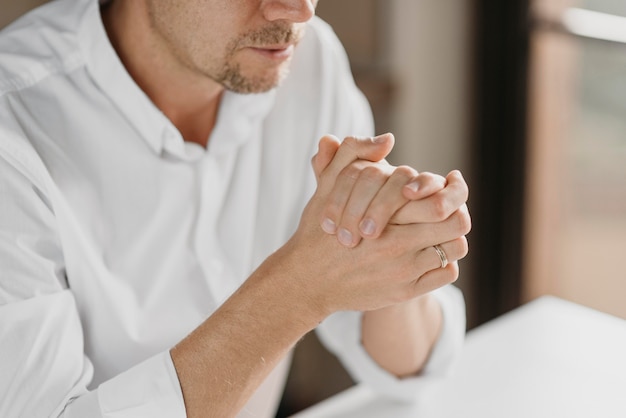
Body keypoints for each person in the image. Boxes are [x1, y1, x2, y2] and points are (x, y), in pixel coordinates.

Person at [0, 0, 470, 417]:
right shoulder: (14, 128)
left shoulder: (308, 62)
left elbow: (410, 368)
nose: (299, 10)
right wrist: (298, 292)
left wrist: (396, 249)